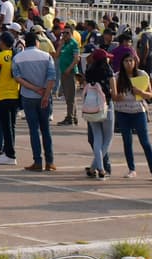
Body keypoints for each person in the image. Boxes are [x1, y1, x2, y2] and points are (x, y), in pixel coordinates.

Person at [12, 30, 58, 171]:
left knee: (34, 130)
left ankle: (37, 161)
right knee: (46, 130)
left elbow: (17, 77)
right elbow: (52, 77)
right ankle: (50, 162)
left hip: (28, 96)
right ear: (37, 42)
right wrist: (45, 94)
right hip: (44, 96)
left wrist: (33, 88)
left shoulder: (18, 58)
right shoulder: (46, 57)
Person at [114, 52, 152, 177]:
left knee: (145, 142)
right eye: (126, 61)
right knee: (127, 141)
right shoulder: (117, 76)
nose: (129, 63)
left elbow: (149, 95)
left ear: (135, 62)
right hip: (122, 112)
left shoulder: (142, 74)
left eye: (131, 61)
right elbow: (113, 96)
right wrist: (118, 97)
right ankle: (132, 169)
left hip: (138, 111)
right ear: (122, 63)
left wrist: (140, 92)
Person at [84, 48, 117, 178]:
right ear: (104, 59)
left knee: (97, 138)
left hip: (92, 107)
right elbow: (114, 93)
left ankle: (96, 168)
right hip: (107, 106)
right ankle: (100, 168)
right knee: (107, 138)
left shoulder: (89, 71)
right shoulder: (109, 72)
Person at [0, 32, 20, 165]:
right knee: (11, 125)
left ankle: (9, 154)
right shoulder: (16, 56)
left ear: (3, 42)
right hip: (15, 94)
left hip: (3, 94)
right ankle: (10, 151)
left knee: (5, 125)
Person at [57, 25, 82, 125]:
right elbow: (57, 55)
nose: (65, 35)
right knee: (68, 96)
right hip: (64, 72)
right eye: (63, 33)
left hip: (70, 73)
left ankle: (69, 117)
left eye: (67, 33)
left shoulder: (73, 44)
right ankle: (73, 116)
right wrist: (60, 44)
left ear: (72, 33)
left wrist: (69, 69)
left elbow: (76, 59)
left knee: (70, 96)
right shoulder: (64, 44)